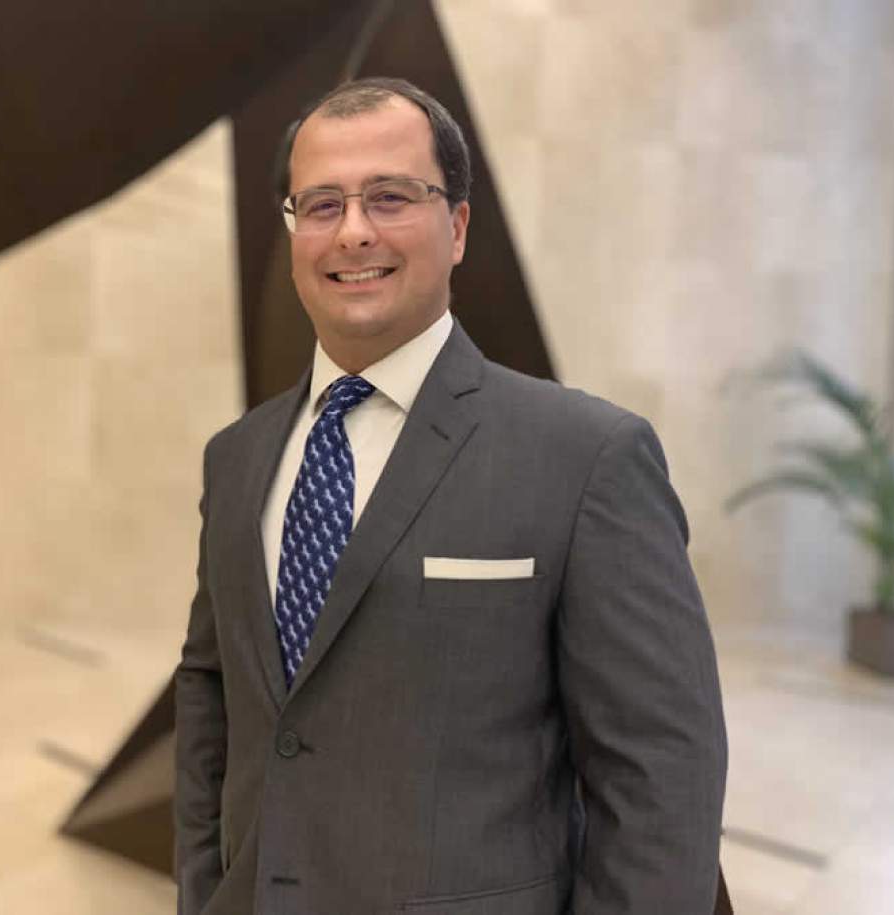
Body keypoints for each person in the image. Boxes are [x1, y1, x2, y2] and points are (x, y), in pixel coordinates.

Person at [174, 77, 727, 915]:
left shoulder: (586, 458)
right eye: (320, 205)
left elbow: (662, 774)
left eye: (390, 197)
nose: (353, 231)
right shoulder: (237, 457)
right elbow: (211, 695)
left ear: (459, 226)